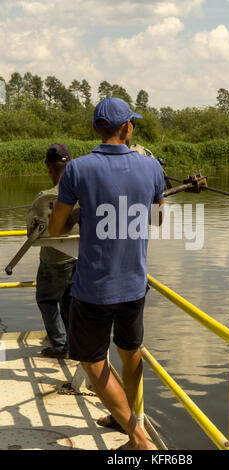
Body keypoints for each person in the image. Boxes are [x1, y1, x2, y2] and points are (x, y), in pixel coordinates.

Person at [48, 97, 165, 451]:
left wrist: (85, 212)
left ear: (97, 129)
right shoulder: (153, 167)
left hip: (93, 288)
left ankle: (138, 439)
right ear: (127, 127)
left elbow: (55, 230)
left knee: (91, 359)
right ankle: (127, 417)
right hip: (134, 283)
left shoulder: (77, 170)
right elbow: (157, 221)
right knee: (130, 352)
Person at [35, 144, 77, 359]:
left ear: (49, 169)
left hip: (54, 261)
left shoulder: (45, 197)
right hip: (77, 258)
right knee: (69, 300)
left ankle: (61, 346)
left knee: (46, 299)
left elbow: (35, 231)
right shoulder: (81, 192)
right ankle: (71, 343)